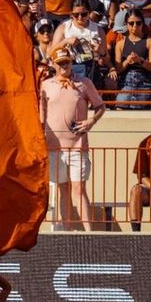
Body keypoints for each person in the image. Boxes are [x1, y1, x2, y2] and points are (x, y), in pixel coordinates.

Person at [39, 47, 105, 231]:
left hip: (77, 145)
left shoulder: (84, 83)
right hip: (54, 147)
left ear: (72, 62)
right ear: (53, 65)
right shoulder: (46, 85)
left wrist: (91, 121)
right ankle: (67, 232)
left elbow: (100, 106)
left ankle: (89, 232)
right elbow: (41, 114)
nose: (64, 66)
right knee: (63, 189)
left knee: (79, 188)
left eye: (66, 62)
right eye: (60, 63)